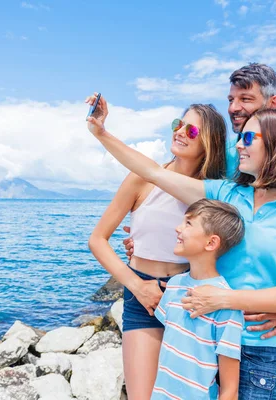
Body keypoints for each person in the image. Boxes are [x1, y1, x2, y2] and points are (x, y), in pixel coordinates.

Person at [124, 63, 276, 399]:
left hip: (275, 293)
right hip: (217, 305)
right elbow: (179, 189)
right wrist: (147, 236)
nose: (234, 107)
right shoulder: (225, 154)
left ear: (274, 105)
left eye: (245, 98)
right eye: (230, 98)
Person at [86, 95, 228, 399]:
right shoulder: (141, 178)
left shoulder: (210, 194)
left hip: (188, 298)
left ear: (209, 144)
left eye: (192, 131)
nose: (179, 131)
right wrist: (138, 286)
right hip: (142, 296)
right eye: (179, 124)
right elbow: (97, 239)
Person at [153, 199, 245, 400]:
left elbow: (230, 390)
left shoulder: (226, 305)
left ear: (211, 242)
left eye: (188, 223)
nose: (178, 228)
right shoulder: (175, 285)